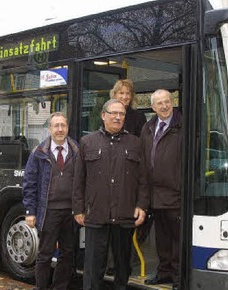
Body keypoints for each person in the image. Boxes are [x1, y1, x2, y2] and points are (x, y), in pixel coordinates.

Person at [73, 99, 149, 290]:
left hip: (125, 215)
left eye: (121, 114)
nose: (117, 117)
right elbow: (79, 180)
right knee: (93, 268)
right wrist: (78, 209)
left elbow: (144, 179)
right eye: (113, 113)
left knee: (123, 268)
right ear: (103, 115)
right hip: (96, 215)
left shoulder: (136, 143)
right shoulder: (87, 142)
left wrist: (142, 205)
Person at [22, 112, 79, 290]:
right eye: (56, 126)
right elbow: (29, 184)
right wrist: (30, 211)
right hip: (49, 211)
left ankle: (60, 287)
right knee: (45, 254)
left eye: (63, 125)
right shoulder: (39, 153)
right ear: (50, 129)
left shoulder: (77, 151)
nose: (60, 129)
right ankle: (40, 287)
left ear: (67, 128)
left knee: (67, 253)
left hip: (71, 212)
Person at [140, 89, 183, 290]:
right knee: (162, 238)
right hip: (155, 195)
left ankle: (177, 275)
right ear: (153, 107)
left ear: (172, 102)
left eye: (167, 101)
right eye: (160, 103)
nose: (165, 106)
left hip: (175, 194)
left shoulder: (183, 126)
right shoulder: (147, 128)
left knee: (177, 238)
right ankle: (164, 272)